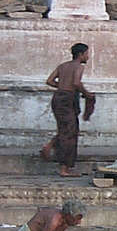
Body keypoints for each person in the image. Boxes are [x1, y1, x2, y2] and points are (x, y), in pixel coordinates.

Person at [41, 43, 96, 177]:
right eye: (86, 54)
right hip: (68, 99)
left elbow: (49, 81)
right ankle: (64, 168)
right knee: (70, 133)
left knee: (66, 129)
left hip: (58, 98)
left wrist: (62, 86)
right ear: (81, 54)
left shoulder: (63, 66)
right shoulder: (79, 67)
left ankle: (52, 148)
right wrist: (87, 93)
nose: (88, 57)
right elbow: (76, 83)